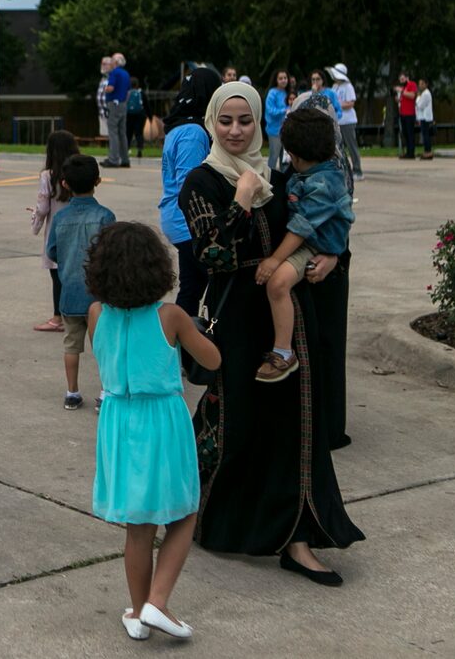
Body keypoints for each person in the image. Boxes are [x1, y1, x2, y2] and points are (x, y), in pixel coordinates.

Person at [180, 81, 364, 584]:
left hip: (287, 322)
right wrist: (241, 201)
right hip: (235, 320)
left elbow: (325, 223)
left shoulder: (282, 177)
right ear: (212, 123)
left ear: (259, 123)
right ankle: (209, 517)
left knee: (295, 428)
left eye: (245, 121)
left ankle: (298, 541)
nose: (236, 131)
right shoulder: (201, 182)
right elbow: (210, 255)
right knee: (234, 421)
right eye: (226, 121)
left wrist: (331, 258)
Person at [85, 221, 221, 641]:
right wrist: (202, 331)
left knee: (138, 526)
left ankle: (138, 611)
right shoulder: (171, 316)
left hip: (117, 419)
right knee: (183, 512)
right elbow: (212, 361)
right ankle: (158, 603)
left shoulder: (95, 314)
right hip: (161, 418)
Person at [254, 108, 354, 383]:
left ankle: (283, 352)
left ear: (295, 155)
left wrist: (274, 260)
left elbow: (302, 228)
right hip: (313, 242)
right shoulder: (312, 172)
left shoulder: (324, 183)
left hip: (315, 244)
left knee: (277, 283)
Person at [45, 154, 115, 410]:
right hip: (99, 297)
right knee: (103, 347)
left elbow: (52, 251)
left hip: (69, 294)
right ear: (98, 180)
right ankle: (106, 392)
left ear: (64, 184)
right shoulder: (106, 216)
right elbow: (113, 253)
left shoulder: (60, 218)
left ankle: (72, 392)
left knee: (71, 345)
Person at [159, 67, 222, 314]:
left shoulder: (179, 127)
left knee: (193, 286)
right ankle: (203, 337)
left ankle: (185, 341)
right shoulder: (194, 133)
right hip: (187, 222)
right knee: (216, 281)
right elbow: (191, 184)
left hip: (176, 218)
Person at [29, 130, 81, 334]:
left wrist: (35, 223)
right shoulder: (79, 173)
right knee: (77, 273)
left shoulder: (48, 176)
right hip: (79, 228)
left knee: (58, 275)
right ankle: (80, 313)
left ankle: (58, 318)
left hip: (57, 233)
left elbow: (42, 208)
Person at [328, 63, 361, 178]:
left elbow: (351, 103)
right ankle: (341, 170)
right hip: (337, 121)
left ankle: (357, 170)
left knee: (351, 146)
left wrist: (337, 105)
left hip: (348, 121)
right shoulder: (334, 86)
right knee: (337, 147)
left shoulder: (348, 86)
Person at [101, 52, 132, 169]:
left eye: (112, 60)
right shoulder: (126, 74)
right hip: (123, 104)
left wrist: (105, 88)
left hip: (114, 104)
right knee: (122, 132)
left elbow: (110, 88)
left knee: (113, 132)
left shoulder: (114, 73)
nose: (111, 62)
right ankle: (125, 159)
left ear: (116, 62)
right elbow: (128, 90)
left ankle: (113, 159)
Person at [264, 71, 289, 169]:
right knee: (274, 156)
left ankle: (284, 179)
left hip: (286, 129)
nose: (283, 80)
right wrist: (284, 110)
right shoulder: (272, 93)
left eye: (285, 78)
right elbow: (270, 110)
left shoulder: (287, 92)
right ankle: (270, 178)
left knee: (285, 157)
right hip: (274, 130)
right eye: (280, 78)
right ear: (276, 80)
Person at [396, 72, 419, 159]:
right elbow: (404, 97)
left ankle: (411, 153)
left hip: (409, 113)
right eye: (400, 80)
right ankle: (407, 152)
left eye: (402, 79)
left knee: (410, 133)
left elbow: (412, 96)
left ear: (407, 78)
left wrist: (402, 91)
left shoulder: (411, 84)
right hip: (403, 113)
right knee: (405, 133)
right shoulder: (404, 87)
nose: (401, 81)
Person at [126, 77, 146, 159]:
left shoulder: (127, 93)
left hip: (129, 115)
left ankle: (127, 150)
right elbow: (146, 104)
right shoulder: (140, 92)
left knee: (128, 133)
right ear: (137, 84)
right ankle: (139, 150)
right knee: (139, 133)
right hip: (140, 115)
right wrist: (150, 116)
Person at [416, 76, 435, 160]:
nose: (420, 85)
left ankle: (428, 151)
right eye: (419, 84)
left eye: (422, 84)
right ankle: (426, 151)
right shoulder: (424, 93)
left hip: (426, 117)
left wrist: (418, 97)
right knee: (424, 135)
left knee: (426, 135)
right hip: (423, 117)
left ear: (426, 84)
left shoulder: (426, 94)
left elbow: (420, 105)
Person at [95, 56, 113, 138]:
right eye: (102, 64)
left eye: (105, 64)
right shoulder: (103, 78)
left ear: (111, 65)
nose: (103, 66)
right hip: (102, 112)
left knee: (112, 133)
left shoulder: (112, 77)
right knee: (105, 134)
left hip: (109, 110)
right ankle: (110, 150)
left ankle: (114, 150)